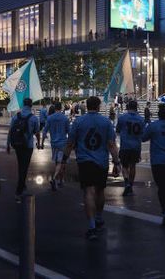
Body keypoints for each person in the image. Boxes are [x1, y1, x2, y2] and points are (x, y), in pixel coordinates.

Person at [62, 96, 120, 240]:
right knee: (100, 190)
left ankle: (92, 225)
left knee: (89, 191)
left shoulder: (78, 121)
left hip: (85, 161)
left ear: (87, 106)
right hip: (102, 161)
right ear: (99, 106)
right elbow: (112, 144)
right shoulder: (106, 122)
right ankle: (99, 217)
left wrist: (64, 160)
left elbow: (70, 143)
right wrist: (117, 162)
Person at [8, 98, 40, 201]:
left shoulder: (16, 116)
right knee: (24, 167)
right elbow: (37, 132)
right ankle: (19, 190)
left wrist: (7, 144)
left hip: (17, 144)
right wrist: (39, 143)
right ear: (31, 105)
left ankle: (23, 185)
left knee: (21, 165)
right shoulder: (34, 118)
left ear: (23, 105)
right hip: (28, 145)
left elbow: (10, 130)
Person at [115, 101, 146, 195]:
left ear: (127, 107)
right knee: (133, 166)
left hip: (125, 145)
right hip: (136, 146)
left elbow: (117, 130)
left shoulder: (122, 118)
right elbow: (143, 135)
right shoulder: (141, 119)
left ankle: (126, 181)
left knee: (124, 166)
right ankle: (131, 185)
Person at [43, 103, 71, 191]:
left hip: (53, 142)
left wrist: (42, 142)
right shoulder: (65, 118)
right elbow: (69, 132)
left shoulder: (50, 118)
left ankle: (60, 180)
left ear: (55, 108)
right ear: (61, 108)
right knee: (62, 162)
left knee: (57, 162)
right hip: (63, 142)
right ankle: (55, 178)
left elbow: (44, 131)